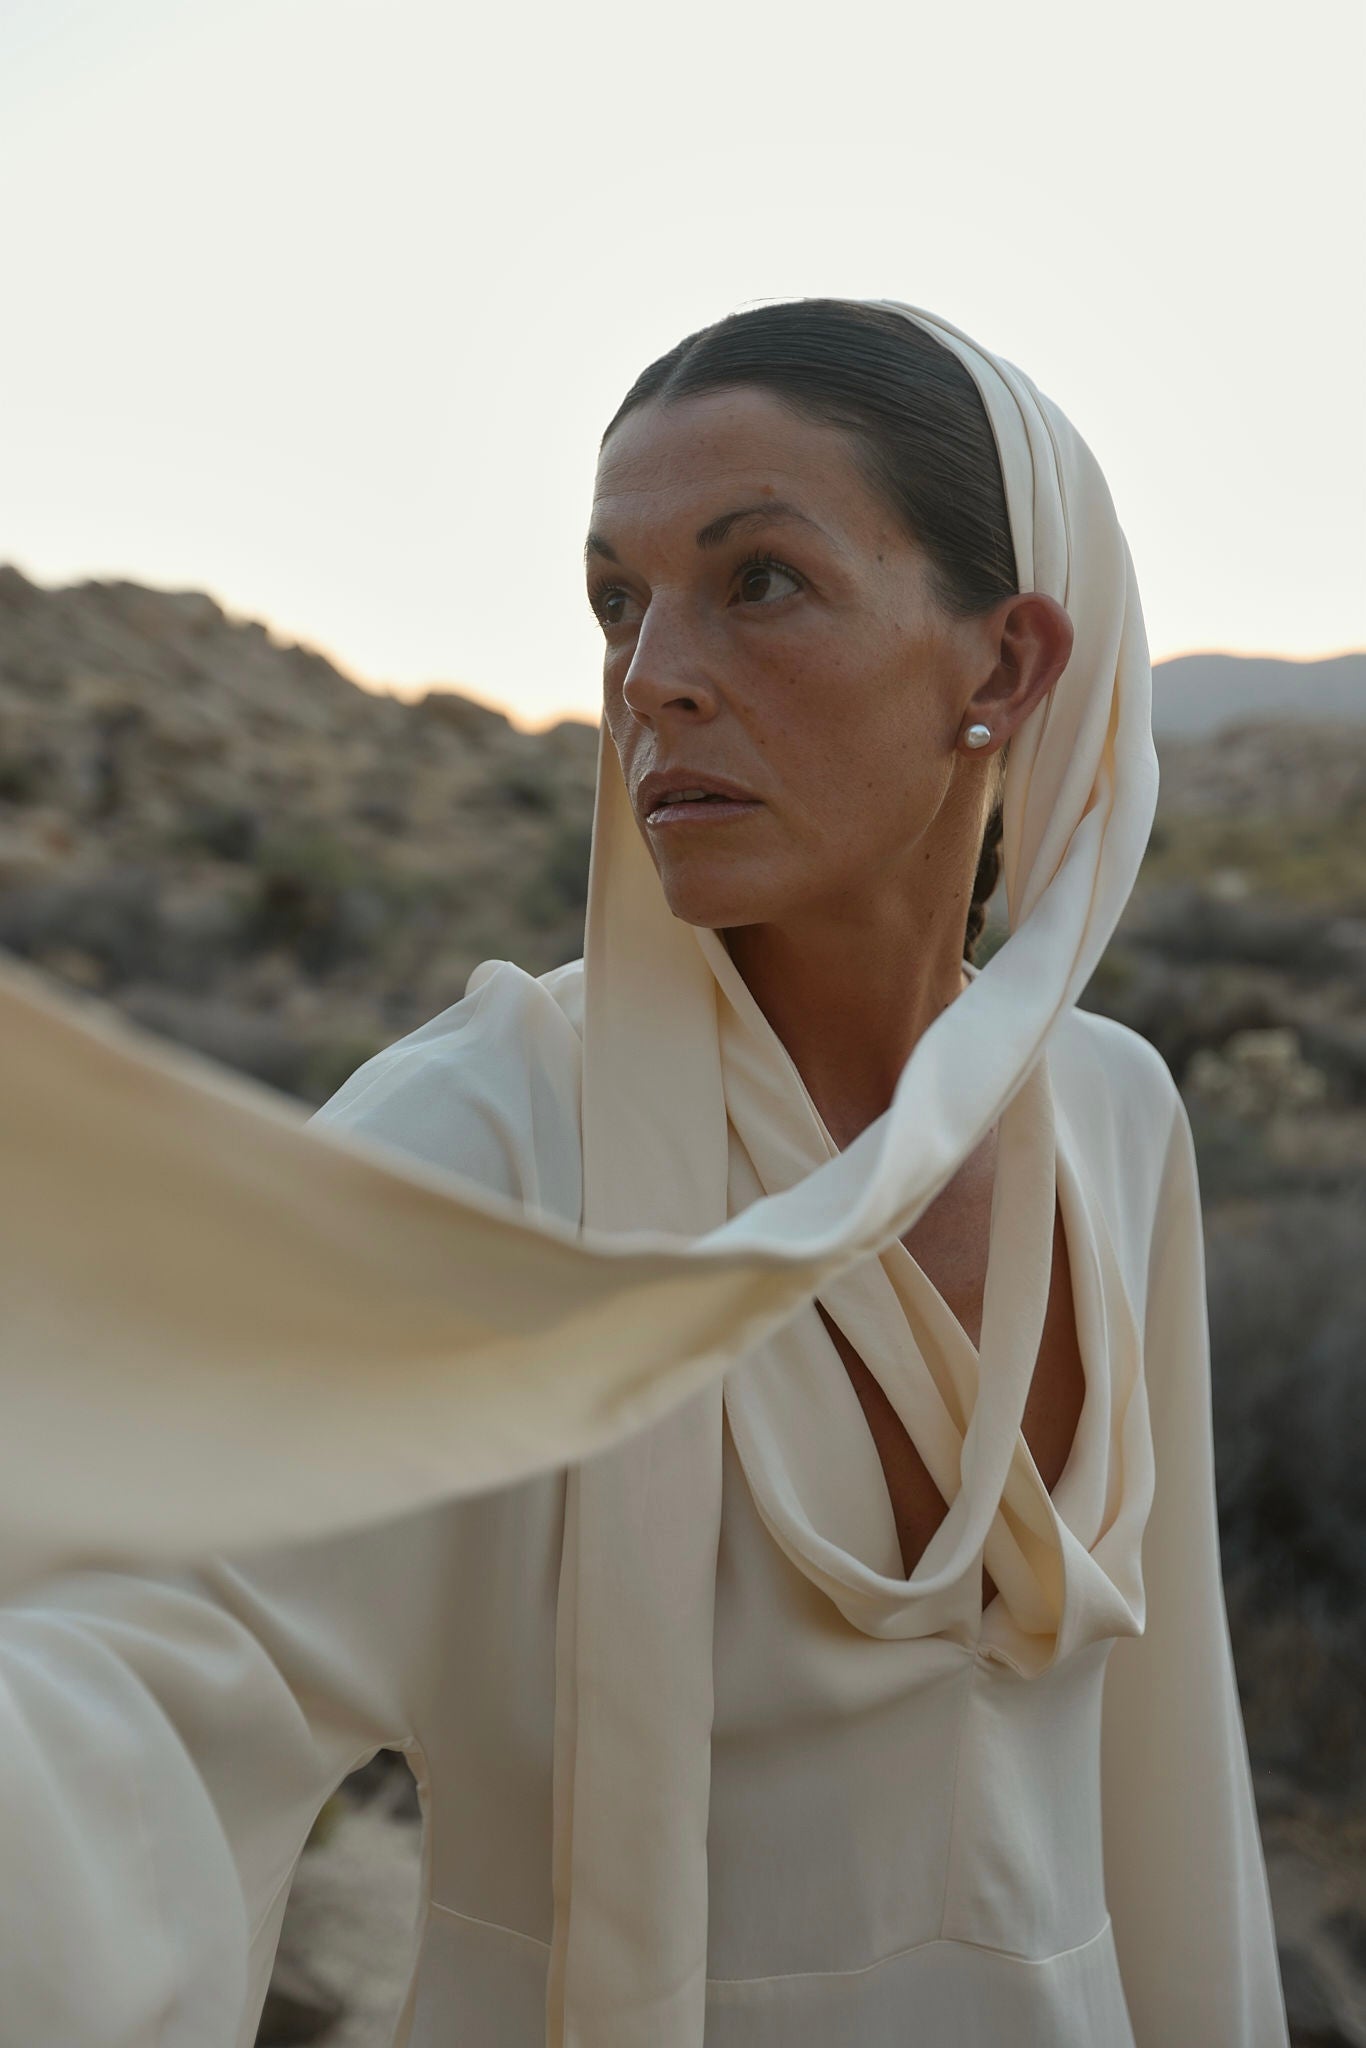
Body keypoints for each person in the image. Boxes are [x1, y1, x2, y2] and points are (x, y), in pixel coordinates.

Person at [0, 298, 1289, 2047]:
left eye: (754, 581)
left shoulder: (1114, 1116)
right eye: (617, 599)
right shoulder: (495, 1136)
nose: (645, 675)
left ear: (1000, 665)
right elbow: (152, 1641)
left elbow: (1164, 1772)